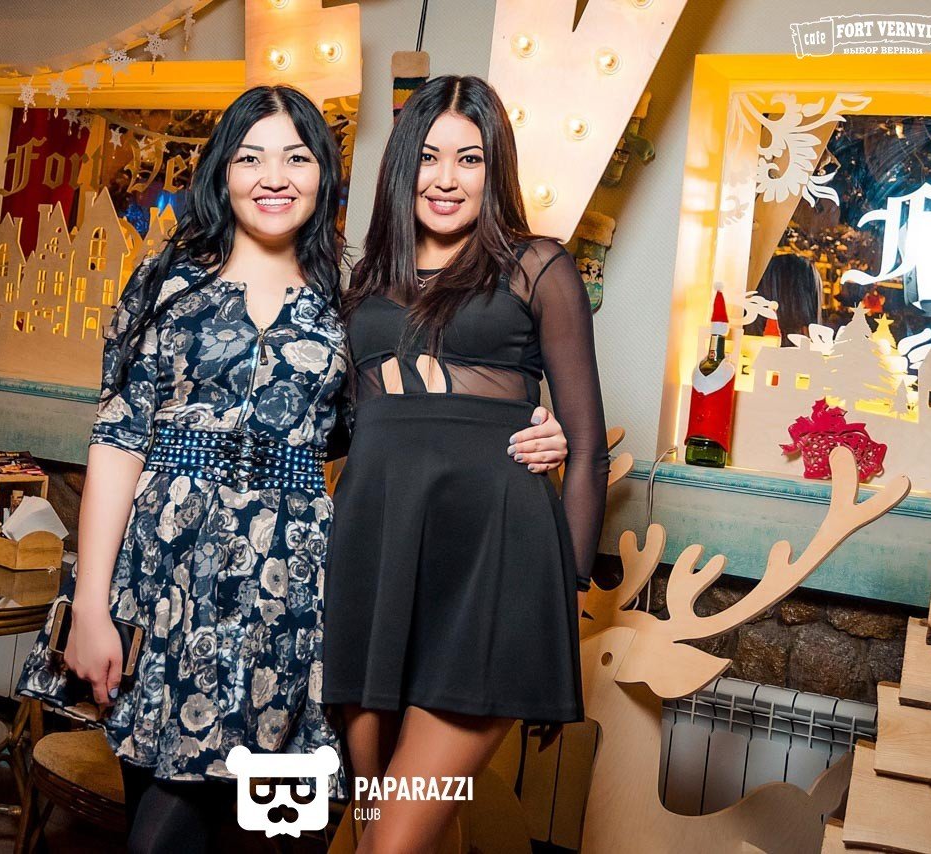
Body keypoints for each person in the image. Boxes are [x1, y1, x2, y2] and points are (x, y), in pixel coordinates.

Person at [16, 84, 568, 853]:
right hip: (171, 577)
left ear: (323, 176)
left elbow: (396, 422)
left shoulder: (350, 299)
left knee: (259, 832)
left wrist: (529, 427)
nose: (273, 177)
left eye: (296, 158)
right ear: (223, 171)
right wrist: (91, 605)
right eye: (251, 158)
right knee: (161, 823)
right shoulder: (169, 283)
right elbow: (117, 439)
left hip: (292, 593)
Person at [323, 75, 611, 853]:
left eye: (470, 158)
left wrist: (562, 595)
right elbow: (346, 431)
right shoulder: (365, 283)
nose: (446, 178)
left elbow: (587, 449)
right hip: (376, 568)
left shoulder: (537, 267)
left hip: (492, 570)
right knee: (374, 830)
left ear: (495, 170)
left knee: (392, 843)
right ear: (402, 165)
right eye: (429, 156)